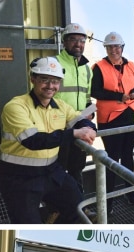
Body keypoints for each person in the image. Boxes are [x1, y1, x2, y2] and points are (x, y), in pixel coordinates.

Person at [0, 56, 96, 223]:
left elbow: (79, 118)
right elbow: (34, 141)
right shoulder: (16, 107)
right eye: (44, 80)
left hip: (51, 171)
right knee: (28, 225)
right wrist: (74, 134)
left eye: (55, 81)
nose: (51, 86)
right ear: (33, 79)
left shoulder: (60, 105)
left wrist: (89, 128)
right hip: (19, 177)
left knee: (77, 208)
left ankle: (56, 226)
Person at [91, 32, 134, 214]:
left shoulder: (131, 66)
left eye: (117, 46)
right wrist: (118, 96)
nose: (114, 50)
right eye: (110, 47)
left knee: (128, 155)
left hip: (130, 114)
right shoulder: (99, 67)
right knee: (112, 158)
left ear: (122, 48)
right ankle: (108, 201)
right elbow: (95, 91)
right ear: (106, 48)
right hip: (110, 118)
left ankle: (130, 192)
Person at [55, 23, 94, 191]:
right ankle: (56, 212)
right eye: (73, 40)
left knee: (76, 168)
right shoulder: (54, 64)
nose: (78, 44)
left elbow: (86, 97)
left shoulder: (86, 68)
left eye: (82, 40)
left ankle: (78, 209)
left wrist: (90, 112)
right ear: (64, 42)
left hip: (79, 126)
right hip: (58, 127)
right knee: (57, 169)